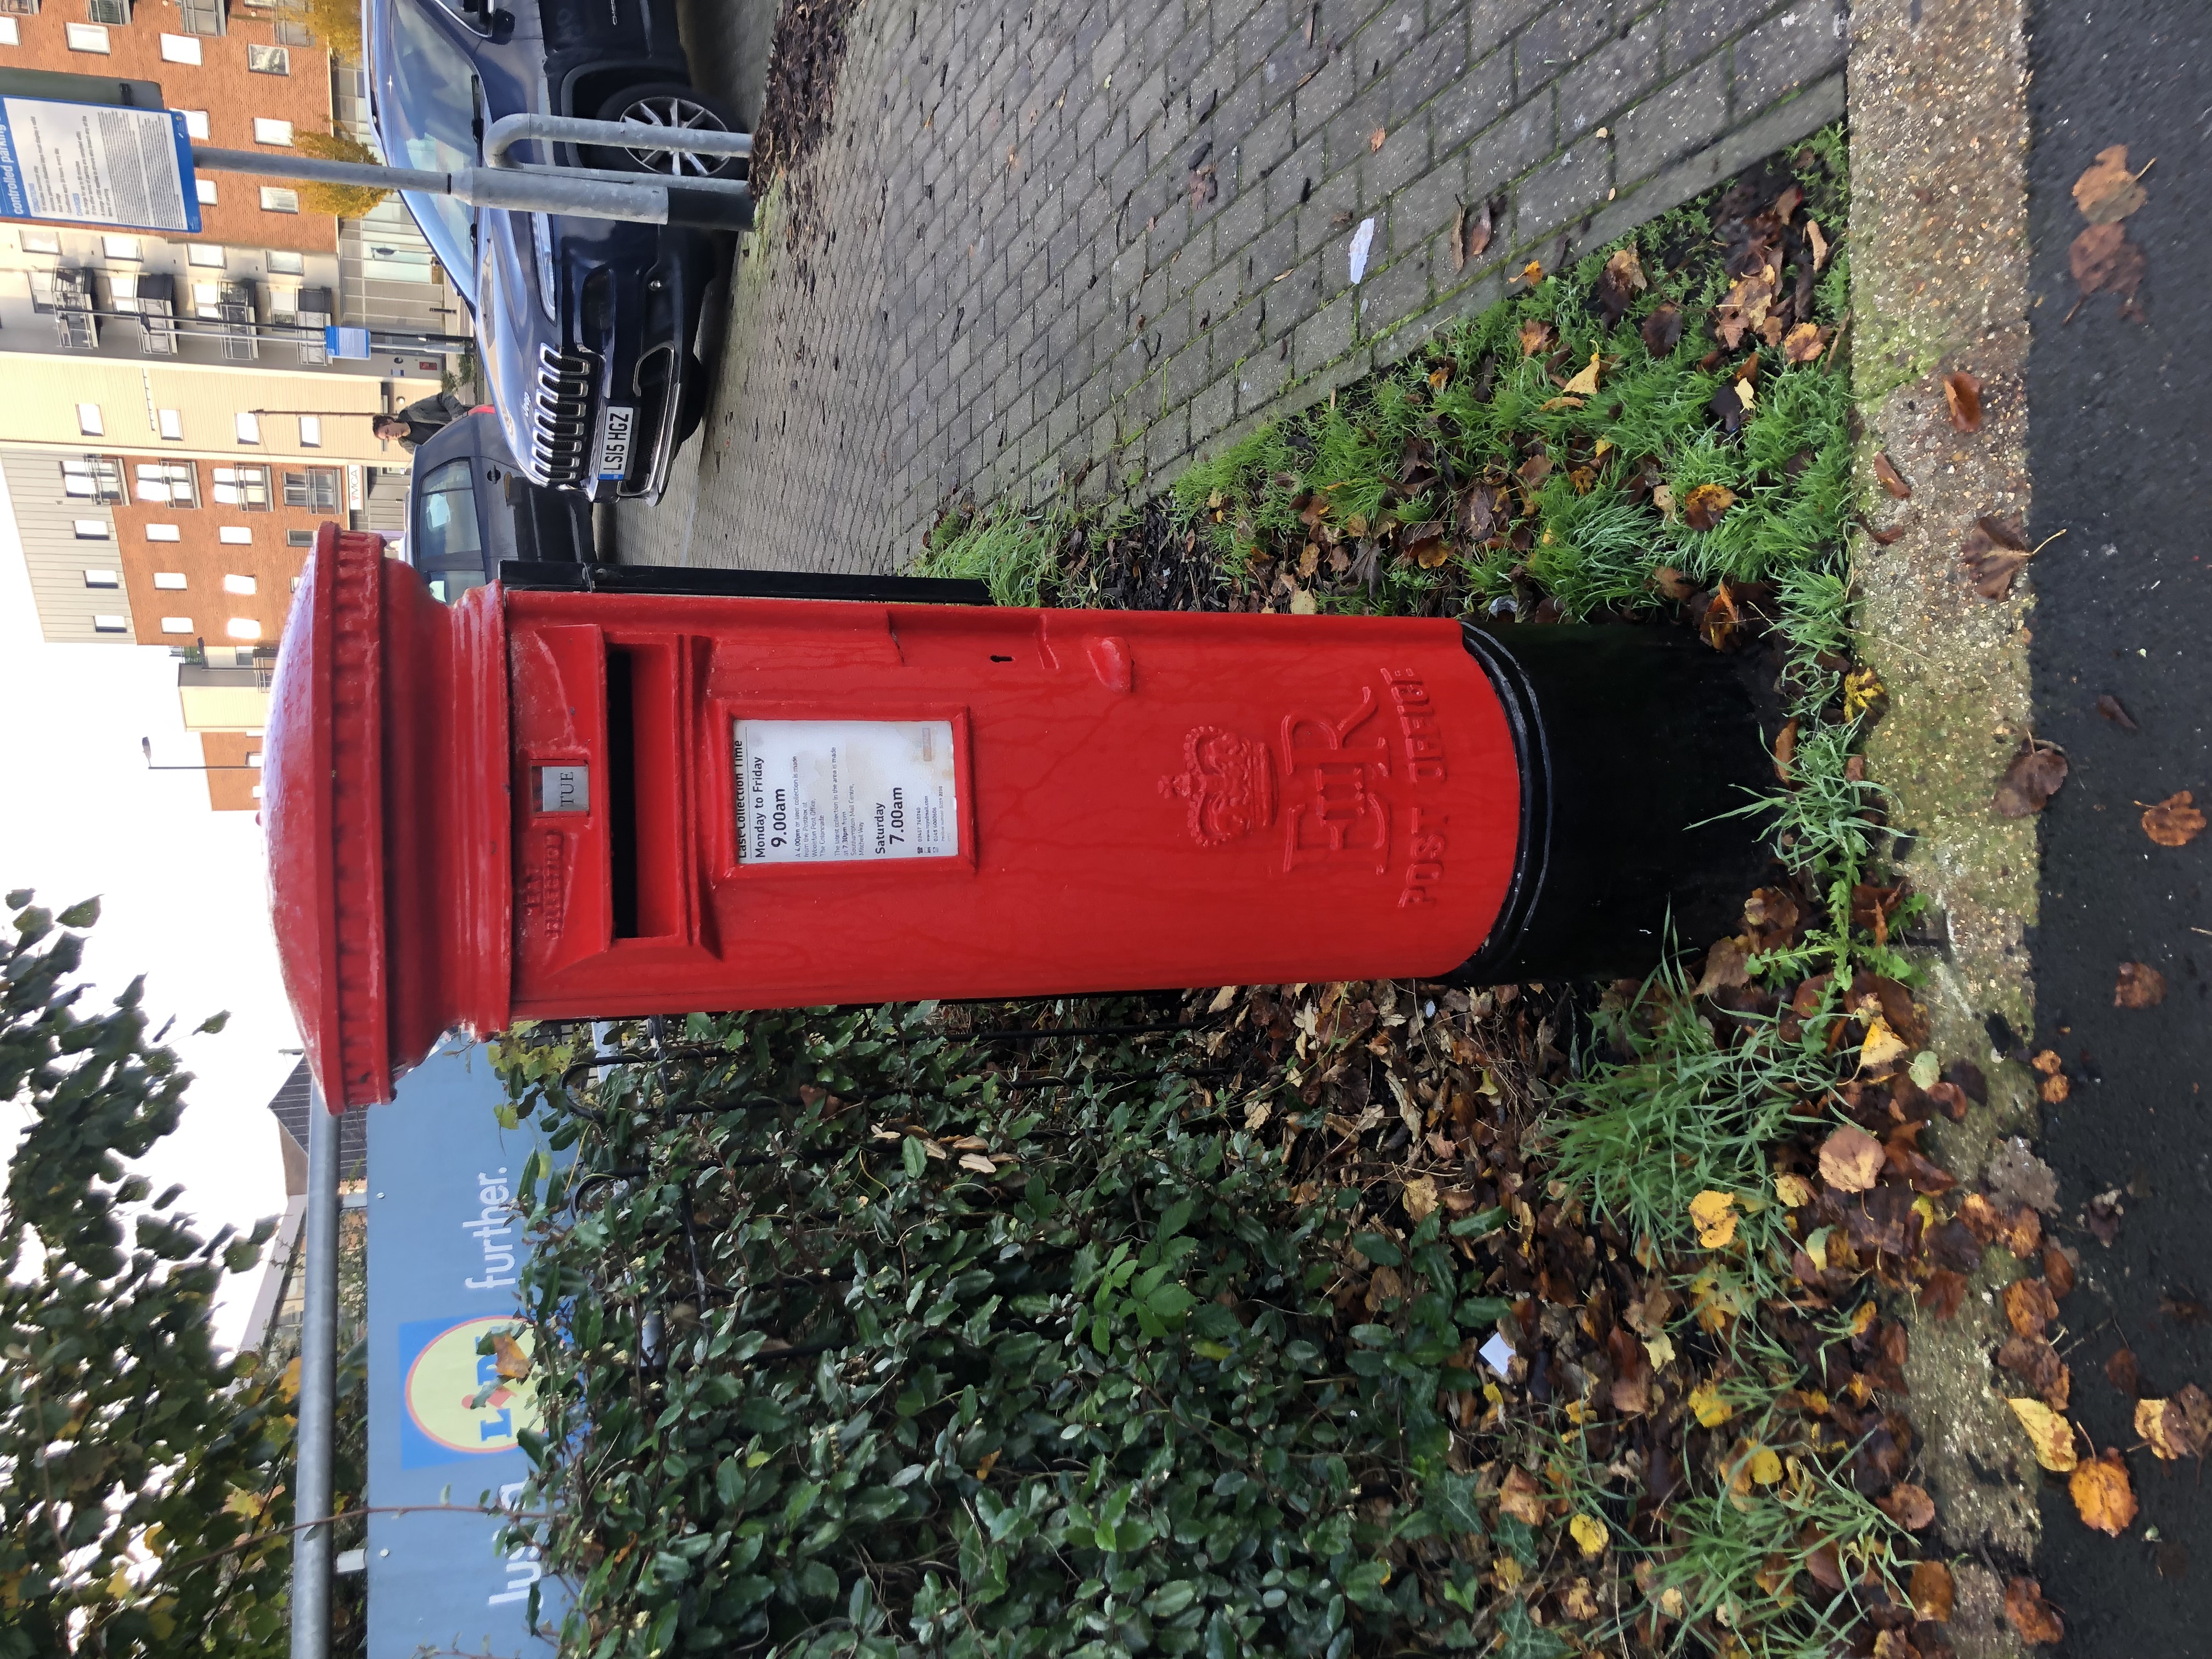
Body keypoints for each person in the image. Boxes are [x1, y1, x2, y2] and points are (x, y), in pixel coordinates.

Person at [372, 390, 471, 452]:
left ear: (389, 421)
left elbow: (443, 397)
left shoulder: (413, 412)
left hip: (471, 421)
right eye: (387, 438)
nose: (391, 436)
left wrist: (458, 420)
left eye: (387, 431)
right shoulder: (410, 447)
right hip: (466, 445)